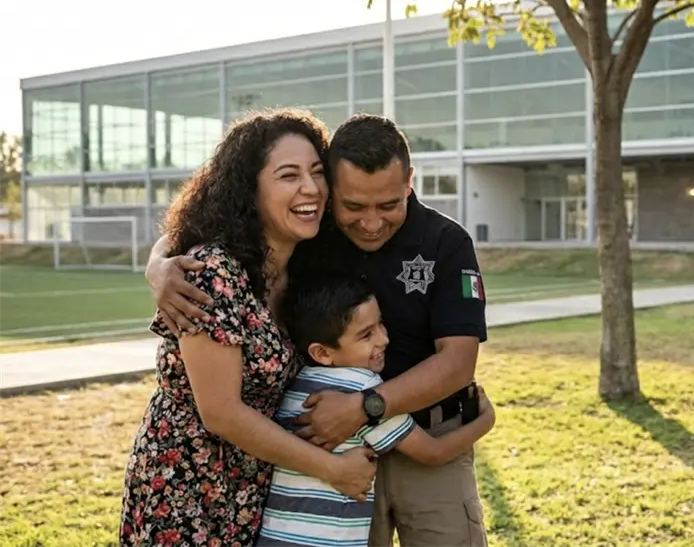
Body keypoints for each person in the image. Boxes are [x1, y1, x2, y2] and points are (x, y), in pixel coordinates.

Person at [146, 113, 490, 547]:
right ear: (334, 189)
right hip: (319, 452)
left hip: (418, 438)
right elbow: (200, 233)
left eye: (388, 205)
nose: (370, 222)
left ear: (409, 182)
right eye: (353, 206)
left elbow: (458, 362)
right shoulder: (309, 236)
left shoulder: (446, 242)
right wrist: (158, 265)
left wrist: (363, 408)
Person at [120, 108, 378, 547]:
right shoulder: (211, 272)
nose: (310, 187)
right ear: (249, 189)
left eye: (317, 172)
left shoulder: (303, 271)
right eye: (288, 175)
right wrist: (332, 469)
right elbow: (221, 412)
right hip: (186, 488)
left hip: (255, 488)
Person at [255, 275, 496, 547]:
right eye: (366, 335)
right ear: (322, 352)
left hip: (275, 537)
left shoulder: (297, 383)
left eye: (380, 323)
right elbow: (432, 452)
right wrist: (485, 422)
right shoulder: (362, 387)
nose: (384, 339)